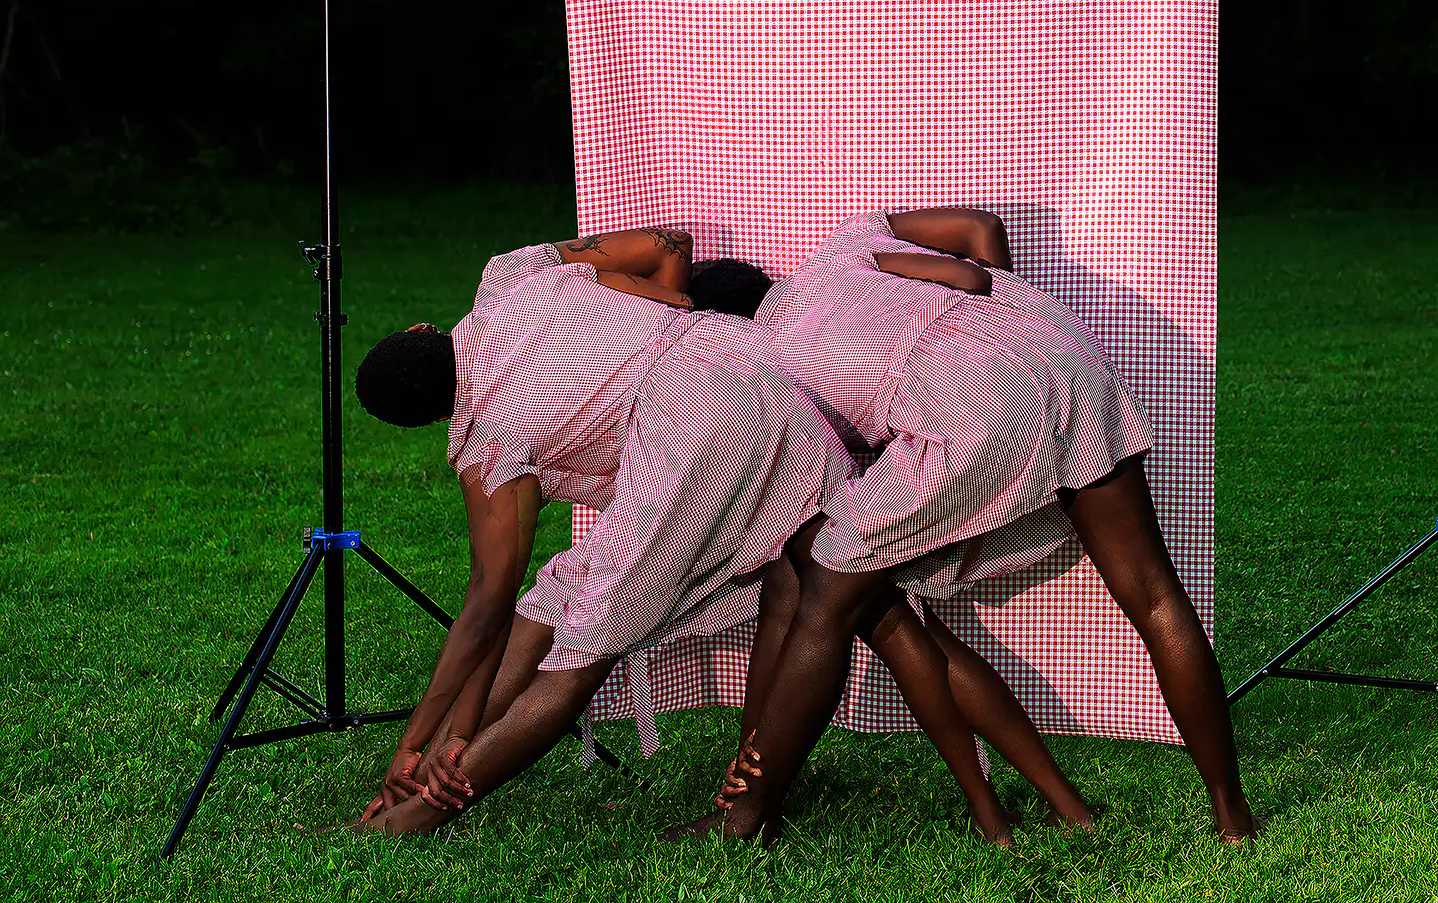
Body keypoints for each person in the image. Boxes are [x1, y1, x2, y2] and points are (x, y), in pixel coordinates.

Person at [348, 226, 1065, 842]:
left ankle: (420, 810)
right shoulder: (511, 276)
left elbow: (485, 604)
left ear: (434, 417)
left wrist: (423, 739)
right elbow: (668, 244)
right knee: (858, 604)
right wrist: (664, 312)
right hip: (763, 376)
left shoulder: (486, 439)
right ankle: (765, 808)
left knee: (584, 642)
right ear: (421, 331)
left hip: (686, 425)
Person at [677, 208, 1260, 845]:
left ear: (721, 326)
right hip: (1061, 351)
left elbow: (806, 476)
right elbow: (979, 231)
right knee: (1154, 595)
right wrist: (993, 340)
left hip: (969, 406)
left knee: (825, 587)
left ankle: (747, 816)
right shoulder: (841, 249)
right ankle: (1232, 814)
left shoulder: (762, 361)